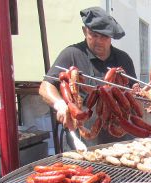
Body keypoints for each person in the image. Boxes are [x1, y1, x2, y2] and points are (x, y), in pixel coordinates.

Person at [39, 7, 137, 148]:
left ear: (111, 37)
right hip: (83, 138)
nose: (99, 41)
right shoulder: (72, 54)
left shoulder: (123, 59)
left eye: (104, 36)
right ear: (85, 31)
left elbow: (134, 92)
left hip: (120, 138)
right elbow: (45, 86)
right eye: (93, 35)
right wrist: (59, 104)